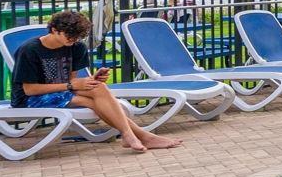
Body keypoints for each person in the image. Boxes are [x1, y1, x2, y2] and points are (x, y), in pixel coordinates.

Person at [12, 10, 181, 153]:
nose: (73, 40)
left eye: (77, 36)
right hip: (29, 99)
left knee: (99, 87)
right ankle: (138, 135)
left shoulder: (76, 47)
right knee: (90, 102)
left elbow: (70, 80)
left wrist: (92, 80)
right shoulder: (30, 50)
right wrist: (71, 85)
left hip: (60, 92)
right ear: (54, 30)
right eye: (69, 35)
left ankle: (130, 135)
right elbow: (29, 90)